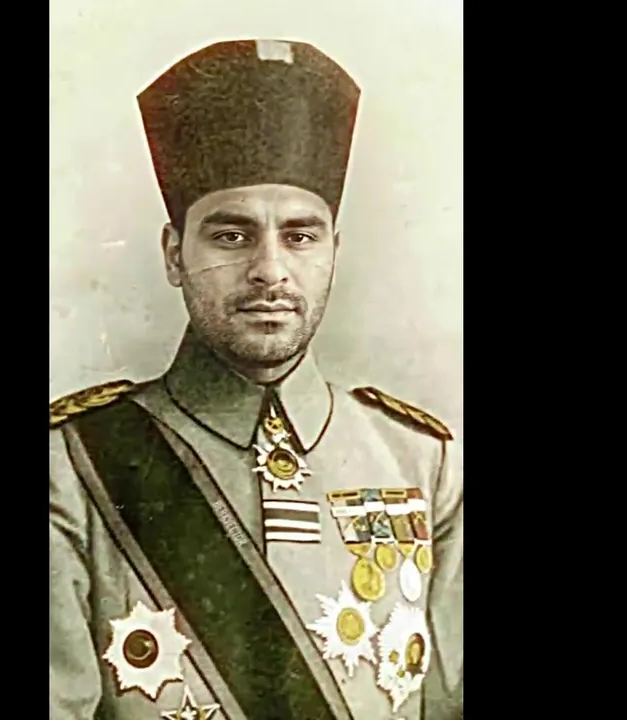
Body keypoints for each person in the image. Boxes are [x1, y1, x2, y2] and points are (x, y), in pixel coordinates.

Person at [49, 39, 463, 720]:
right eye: (232, 236)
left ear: (333, 253)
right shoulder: (70, 467)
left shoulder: (423, 462)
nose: (270, 271)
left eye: (300, 236)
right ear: (174, 254)